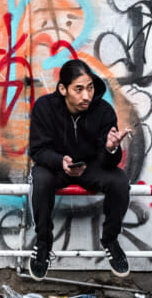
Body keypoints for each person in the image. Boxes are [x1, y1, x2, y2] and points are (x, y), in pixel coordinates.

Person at [27, 59, 132, 279]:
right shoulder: (44, 107)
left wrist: (111, 148)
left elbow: (109, 162)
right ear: (63, 89)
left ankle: (110, 240)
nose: (86, 96)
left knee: (119, 181)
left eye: (90, 88)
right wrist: (60, 162)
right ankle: (43, 244)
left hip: (91, 166)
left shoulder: (103, 111)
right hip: (55, 166)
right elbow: (37, 150)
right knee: (40, 179)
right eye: (79, 89)